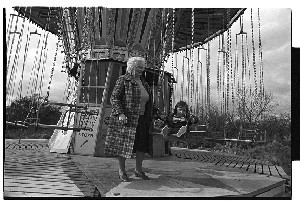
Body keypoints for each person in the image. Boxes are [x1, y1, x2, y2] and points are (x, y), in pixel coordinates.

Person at [104, 56, 152, 182]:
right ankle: (122, 171)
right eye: (138, 67)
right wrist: (120, 113)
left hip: (141, 119)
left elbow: (148, 102)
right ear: (131, 67)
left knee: (141, 145)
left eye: (142, 67)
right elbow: (114, 98)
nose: (141, 70)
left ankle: (138, 169)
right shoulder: (123, 80)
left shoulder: (144, 83)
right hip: (127, 119)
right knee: (123, 145)